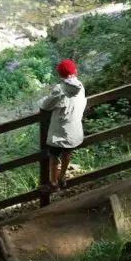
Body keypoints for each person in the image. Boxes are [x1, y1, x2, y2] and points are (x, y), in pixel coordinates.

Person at [39, 58, 87, 190]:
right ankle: (62, 176)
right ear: (75, 71)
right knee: (67, 154)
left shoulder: (59, 89)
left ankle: (53, 182)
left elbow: (45, 105)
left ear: (60, 74)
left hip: (60, 132)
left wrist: (42, 100)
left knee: (53, 156)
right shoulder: (80, 86)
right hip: (74, 129)